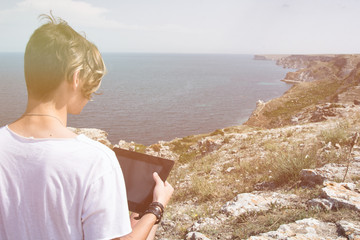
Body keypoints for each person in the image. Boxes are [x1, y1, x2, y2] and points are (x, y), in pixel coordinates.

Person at [0, 13, 173, 240]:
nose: (91, 94)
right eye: (90, 82)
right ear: (76, 78)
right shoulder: (95, 160)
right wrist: (156, 208)